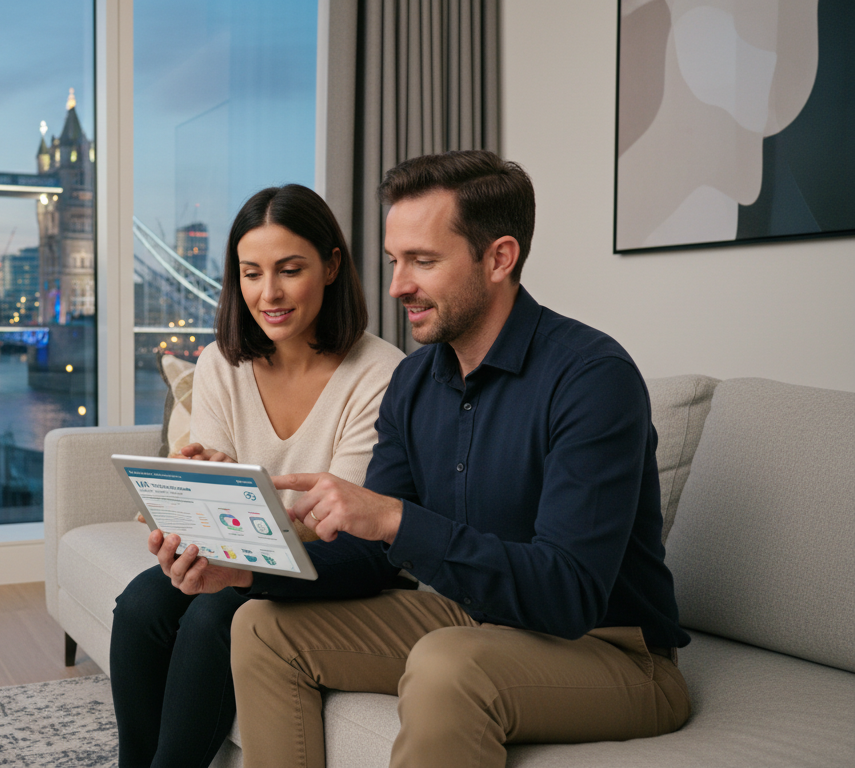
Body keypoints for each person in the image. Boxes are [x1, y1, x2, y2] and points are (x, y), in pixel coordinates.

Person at [157, 150, 693, 768]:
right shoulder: (414, 384)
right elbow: (368, 560)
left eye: (423, 261)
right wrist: (243, 571)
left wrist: (394, 519)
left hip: (611, 648)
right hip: (468, 615)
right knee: (259, 626)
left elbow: (567, 594)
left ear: (499, 258)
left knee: (446, 663)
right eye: (393, 260)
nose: (396, 285)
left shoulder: (592, 380)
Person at [110, 184, 405, 768]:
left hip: (332, 569)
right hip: (245, 549)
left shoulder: (380, 373)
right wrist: (190, 495)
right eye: (250, 273)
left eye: (289, 270)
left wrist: (239, 503)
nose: (267, 294)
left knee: (218, 613)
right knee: (143, 603)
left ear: (330, 266)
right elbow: (219, 507)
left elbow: (337, 527)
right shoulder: (223, 361)